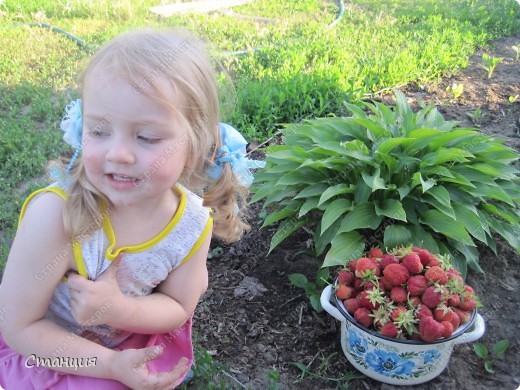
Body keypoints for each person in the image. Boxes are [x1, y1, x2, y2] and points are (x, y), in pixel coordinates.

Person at [0, 28, 264, 389]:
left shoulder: (190, 223)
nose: (118, 153)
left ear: (195, 143)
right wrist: (109, 365)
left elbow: (177, 306)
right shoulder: (55, 216)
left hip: (130, 336)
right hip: (47, 349)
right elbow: (19, 328)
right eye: (98, 131)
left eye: (146, 137)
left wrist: (119, 311)